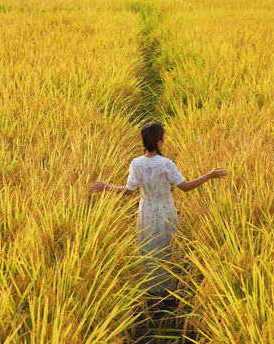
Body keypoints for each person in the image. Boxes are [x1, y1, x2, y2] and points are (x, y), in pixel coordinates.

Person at [89, 122, 227, 298]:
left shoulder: (136, 164)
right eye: (163, 137)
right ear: (159, 142)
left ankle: (151, 289)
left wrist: (106, 187)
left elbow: (129, 191)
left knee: (148, 246)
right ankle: (169, 290)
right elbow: (184, 187)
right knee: (167, 245)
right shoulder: (165, 164)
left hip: (145, 210)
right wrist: (209, 175)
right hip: (165, 210)